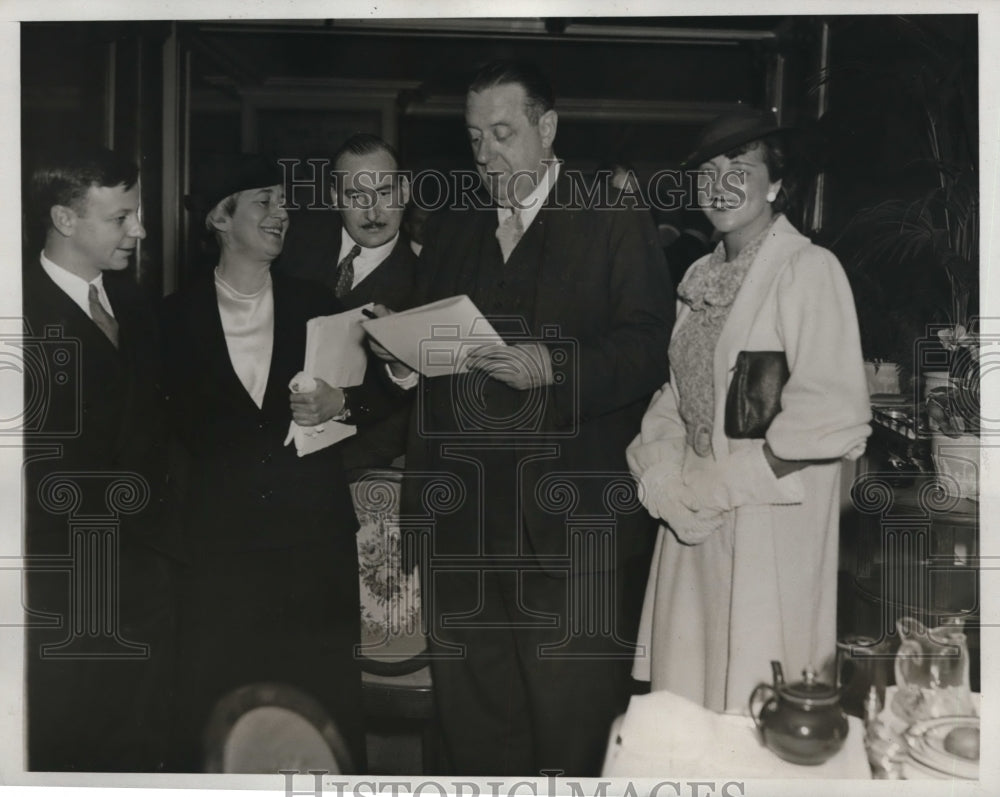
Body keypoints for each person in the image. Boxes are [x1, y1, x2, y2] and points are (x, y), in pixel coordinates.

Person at [374, 60, 673, 776]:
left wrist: (554, 366)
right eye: (475, 138)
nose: (486, 155)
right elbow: (432, 337)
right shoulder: (452, 226)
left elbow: (647, 346)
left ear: (548, 128)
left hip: (570, 532)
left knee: (572, 733)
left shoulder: (611, 217)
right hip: (463, 527)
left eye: (504, 133)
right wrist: (402, 359)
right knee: (472, 731)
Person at [162, 153, 403, 771]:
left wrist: (339, 401)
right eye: (263, 201)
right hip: (218, 555)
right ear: (221, 217)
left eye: (285, 202)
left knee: (320, 714)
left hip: (310, 549)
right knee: (218, 714)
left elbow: (376, 401)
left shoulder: (315, 303)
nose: (282, 212)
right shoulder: (169, 318)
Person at [627, 108, 872, 712]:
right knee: (688, 710)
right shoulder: (698, 275)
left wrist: (718, 485)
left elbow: (830, 415)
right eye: (708, 172)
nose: (720, 186)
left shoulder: (808, 270)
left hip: (766, 520)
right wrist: (662, 478)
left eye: (740, 169)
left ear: (776, 184)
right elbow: (677, 397)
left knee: (755, 708)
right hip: (693, 529)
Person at [22, 147, 178, 771]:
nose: (139, 231)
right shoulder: (17, 311)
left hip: (145, 573)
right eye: (121, 218)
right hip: (61, 583)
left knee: (139, 738)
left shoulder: (134, 304)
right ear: (64, 220)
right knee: (69, 739)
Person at [280, 133, 419, 470]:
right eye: (356, 196)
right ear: (334, 197)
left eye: (384, 194)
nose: (373, 212)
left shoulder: (426, 280)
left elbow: (408, 397)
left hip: (355, 466)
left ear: (404, 192)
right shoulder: (292, 246)